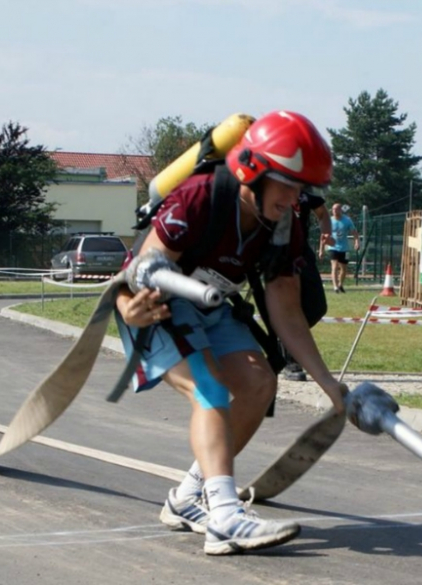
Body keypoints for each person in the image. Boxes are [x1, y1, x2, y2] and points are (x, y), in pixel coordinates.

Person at [114, 111, 348, 556]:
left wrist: (329, 385)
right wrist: (131, 311)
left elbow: (287, 310)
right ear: (255, 171)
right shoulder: (199, 197)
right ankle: (223, 517)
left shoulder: (284, 223)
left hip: (212, 303)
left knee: (260, 383)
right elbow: (139, 273)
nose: (296, 198)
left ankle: (187, 499)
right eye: (289, 184)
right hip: (155, 303)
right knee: (210, 390)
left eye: (303, 188)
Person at [281, 192, 335, 382]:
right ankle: (291, 360)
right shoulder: (271, 190)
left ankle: (284, 339)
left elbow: (322, 214)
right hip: (279, 253)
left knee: (317, 307)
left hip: (303, 253)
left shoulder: (307, 197)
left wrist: (326, 231)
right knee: (290, 307)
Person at [323, 203, 360, 293]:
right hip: (333, 247)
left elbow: (354, 233)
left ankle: (340, 285)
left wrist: (357, 242)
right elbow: (323, 235)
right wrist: (323, 247)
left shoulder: (347, 220)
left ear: (340, 210)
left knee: (343, 268)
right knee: (334, 266)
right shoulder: (329, 220)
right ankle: (335, 286)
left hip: (344, 248)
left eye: (337, 209)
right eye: (333, 209)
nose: (335, 211)